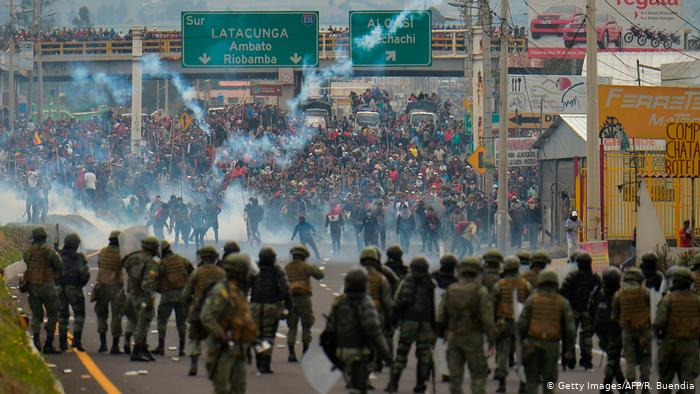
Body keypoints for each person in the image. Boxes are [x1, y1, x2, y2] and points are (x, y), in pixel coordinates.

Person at [326, 267, 392, 394]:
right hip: (361, 351)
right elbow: (374, 330)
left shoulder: (339, 301)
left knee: (353, 382)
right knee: (359, 387)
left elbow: (331, 327)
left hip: (342, 350)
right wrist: (385, 352)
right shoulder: (366, 302)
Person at [437, 257, 496, 394]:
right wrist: (492, 338)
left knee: (455, 378)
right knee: (478, 377)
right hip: (474, 338)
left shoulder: (451, 290)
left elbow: (441, 316)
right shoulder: (480, 291)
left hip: (454, 337)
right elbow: (487, 318)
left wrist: (442, 335)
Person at [201, 253, 258, 394]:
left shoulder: (238, 292)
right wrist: (222, 335)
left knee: (239, 388)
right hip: (223, 350)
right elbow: (207, 316)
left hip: (239, 348)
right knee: (223, 389)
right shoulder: (221, 291)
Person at [518, 270, 576, 394]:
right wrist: (568, 349)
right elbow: (570, 329)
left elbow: (522, 324)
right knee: (549, 382)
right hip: (552, 345)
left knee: (532, 381)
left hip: (532, 343)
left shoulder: (532, 300)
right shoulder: (562, 302)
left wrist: (522, 342)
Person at [386, 257, 436, 393]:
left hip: (408, 321)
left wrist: (393, 323)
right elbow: (435, 307)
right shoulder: (431, 283)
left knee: (401, 354)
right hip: (425, 322)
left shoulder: (406, 281)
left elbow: (397, 302)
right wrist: (435, 327)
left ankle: (394, 383)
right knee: (424, 355)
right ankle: (420, 384)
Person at [653, 267, 700, 394]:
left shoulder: (668, 300)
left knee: (665, 382)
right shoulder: (697, 301)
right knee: (688, 383)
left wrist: (657, 336)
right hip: (690, 346)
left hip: (670, 344)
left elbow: (659, 323)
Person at [183, 245, 225, 376]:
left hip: (198, 308)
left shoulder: (197, 272)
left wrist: (190, 305)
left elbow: (186, 294)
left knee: (195, 338)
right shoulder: (222, 273)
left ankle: (194, 363)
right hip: (216, 310)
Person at [249, 247, 293, 374]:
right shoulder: (277, 270)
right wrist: (290, 307)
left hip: (255, 305)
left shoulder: (254, 269)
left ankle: (258, 357)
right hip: (272, 306)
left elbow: (247, 285)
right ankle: (265, 362)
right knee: (268, 335)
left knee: (257, 334)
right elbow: (285, 289)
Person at [493, 256, 532, 393]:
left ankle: (502, 383)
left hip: (504, 322)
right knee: (521, 354)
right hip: (521, 323)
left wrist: (494, 323)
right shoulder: (525, 284)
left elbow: (493, 304)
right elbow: (530, 304)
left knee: (503, 352)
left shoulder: (500, 284)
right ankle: (523, 383)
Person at [23, 226, 62, 353]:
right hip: (48, 288)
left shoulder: (28, 252)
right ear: (45, 237)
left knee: (36, 315)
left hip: (33, 287)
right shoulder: (50, 252)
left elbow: (27, 263)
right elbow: (58, 266)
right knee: (52, 314)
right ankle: (49, 343)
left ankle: (36, 340)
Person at [560, 252, 602, 370]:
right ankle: (586, 359)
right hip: (587, 311)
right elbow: (601, 294)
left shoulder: (573, 275)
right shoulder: (595, 277)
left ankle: (570, 358)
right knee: (586, 335)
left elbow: (562, 291)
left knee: (570, 335)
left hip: (572, 309)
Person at [612, 267, 651, 389]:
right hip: (644, 330)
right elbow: (651, 309)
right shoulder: (645, 292)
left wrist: (619, 322)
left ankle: (631, 384)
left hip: (627, 330)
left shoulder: (619, 294)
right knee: (645, 358)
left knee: (630, 359)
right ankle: (645, 386)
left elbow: (614, 313)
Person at [284, 245, 325, 362]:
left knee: (292, 326)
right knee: (306, 326)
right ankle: (305, 352)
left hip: (291, 299)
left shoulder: (286, 268)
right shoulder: (307, 266)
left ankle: (291, 353)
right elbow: (320, 275)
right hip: (304, 299)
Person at [589, 267, 626, 393]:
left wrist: (594, 323)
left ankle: (622, 385)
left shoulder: (598, 292)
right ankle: (606, 386)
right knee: (612, 359)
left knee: (613, 358)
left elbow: (590, 308)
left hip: (601, 330)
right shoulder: (620, 294)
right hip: (615, 330)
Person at [154, 240, 193, 357]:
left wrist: (158, 290)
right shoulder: (182, 260)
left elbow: (156, 279)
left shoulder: (162, 264)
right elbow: (192, 273)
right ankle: (181, 349)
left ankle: (161, 347)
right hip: (182, 295)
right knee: (182, 323)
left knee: (162, 320)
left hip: (168, 295)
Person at [124, 236, 160, 362]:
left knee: (139, 321)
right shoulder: (151, 263)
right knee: (143, 324)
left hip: (133, 294)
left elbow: (127, 267)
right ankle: (136, 351)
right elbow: (147, 284)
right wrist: (150, 298)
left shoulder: (133, 258)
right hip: (143, 297)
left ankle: (143, 348)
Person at [57, 233, 90, 352]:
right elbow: (85, 274)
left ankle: (62, 343)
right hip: (74, 289)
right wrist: (80, 284)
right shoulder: (78, 258)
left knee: (62, 316)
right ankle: (77, 341)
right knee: (79, 316)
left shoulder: (58, 256)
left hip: (60, 289)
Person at [94, 231, 125, 354]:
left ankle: (103, 344)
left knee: (101, 315)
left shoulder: (102, 252)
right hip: (115, 287)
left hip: (101, 285)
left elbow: (100, 263)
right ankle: (115, 346)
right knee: (116, 316)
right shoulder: (122, 254)